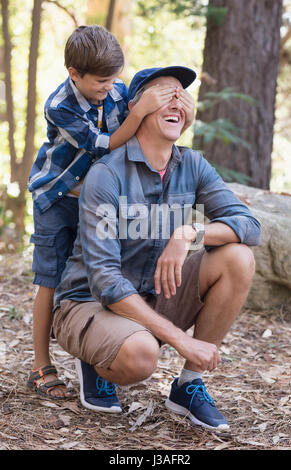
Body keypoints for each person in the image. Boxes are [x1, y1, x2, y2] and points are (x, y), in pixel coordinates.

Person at [52, 65, 261, 429]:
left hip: (152, 295)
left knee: (238, 258)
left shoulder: (192, 164)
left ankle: (189, 386)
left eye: (181, 95)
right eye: (165, 93)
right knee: (140, 357)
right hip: (89, 303)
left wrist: (189, 234)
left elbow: (248, 225)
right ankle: (96, 358)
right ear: (138, 106)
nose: (176, 101)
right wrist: (182, 339)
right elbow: (105, 282)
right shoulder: (108, 174)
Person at [27, 26, 195, 402]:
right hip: (59, 197)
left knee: (98, 272)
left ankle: (93, 345)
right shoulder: (60, 104)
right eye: (102, 81)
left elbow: (142, 133)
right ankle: (41, 364)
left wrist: (165, 108)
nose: (110, 87)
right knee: (51, 277)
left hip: (98, 196)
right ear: (75, 74)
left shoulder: (115, 89)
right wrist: (142, 111)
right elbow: (105, 145)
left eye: (114, 79)